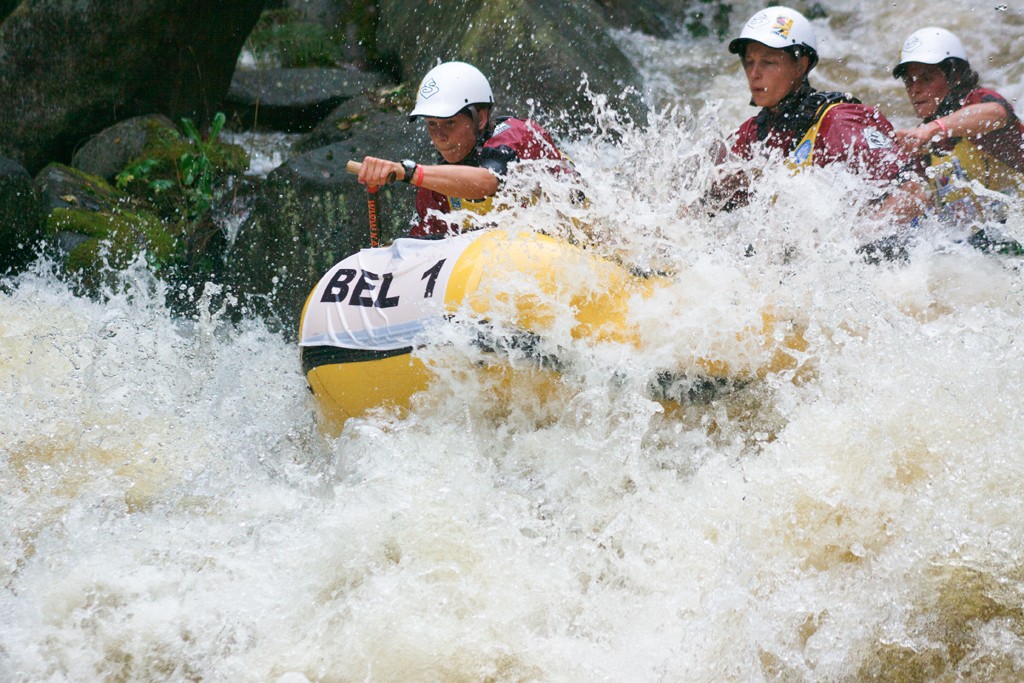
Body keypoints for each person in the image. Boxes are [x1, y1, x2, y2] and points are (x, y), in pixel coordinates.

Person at [710, 5, 925, 223]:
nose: (754, 74)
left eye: (768, 62)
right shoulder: (752, 134)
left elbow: (913, 191)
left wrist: (861, 240)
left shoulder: (838, 121)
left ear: (800, 66)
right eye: (749, 62)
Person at [356, 61, 574, 237]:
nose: (440, 137)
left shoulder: (517, 134)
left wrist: (408, 172)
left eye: (450, 123)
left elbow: (487, 181)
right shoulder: (436, 188)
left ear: (480, 118)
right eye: (432, 124)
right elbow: (423, 247)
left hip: (580, 238)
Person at [892, 27, 1024, 250]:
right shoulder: (923, 141)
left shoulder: (978, 103)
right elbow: (918, 202)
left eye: (926, 78)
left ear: (955, 76)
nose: (914, 89)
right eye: (909, 81)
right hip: (979, 248)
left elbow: (997, 113)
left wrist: (934, 128)